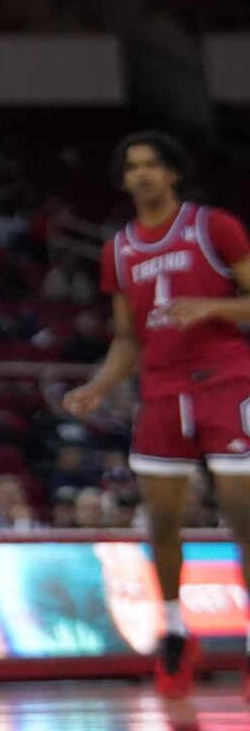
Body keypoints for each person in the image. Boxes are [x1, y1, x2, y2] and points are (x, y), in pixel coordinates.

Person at [65, 131, 250, 699]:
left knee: (242, 515)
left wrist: (210, 306)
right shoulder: (117, 249)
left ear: (173, 174)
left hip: (227, 382)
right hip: (162, 392)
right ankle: (173, 633)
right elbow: (127, 337)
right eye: (132, 168)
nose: (141, 175)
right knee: (161, 522)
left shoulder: (213, 226)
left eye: (151, 166)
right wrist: (97, 387)